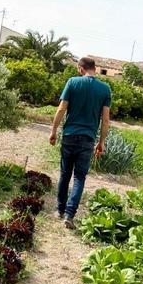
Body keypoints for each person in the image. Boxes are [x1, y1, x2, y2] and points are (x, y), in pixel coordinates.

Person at [49, 56, 110, 229]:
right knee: (79, 177)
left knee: (65, 174)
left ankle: (59, 210)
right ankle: (69, 214)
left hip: (69, 135)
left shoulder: (72, 82)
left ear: (80, 68)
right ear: (95, 69)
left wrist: (53, 131)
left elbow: (61, 108)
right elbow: (105, 120)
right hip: (88, 139)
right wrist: (102, 142)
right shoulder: (105, 89)